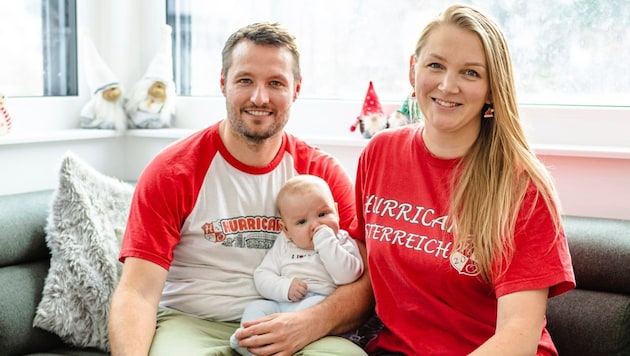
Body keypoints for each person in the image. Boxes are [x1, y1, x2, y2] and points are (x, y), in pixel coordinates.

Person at [108, 22, 373, 356]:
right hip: (193, 323)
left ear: (296, 89)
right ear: (223, 83)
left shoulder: (321, 175)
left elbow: (365, 283)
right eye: (245, 80)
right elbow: (138, 292)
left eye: (275, 83)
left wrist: (309, 324)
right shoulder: (172, 171)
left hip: (302, 322)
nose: (259, 97)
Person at [350, 4, 576, 355]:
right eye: (435, 65)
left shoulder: (523, 186)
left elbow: (519, 333)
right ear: (414, 70)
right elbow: (360, 270)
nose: (447, 85)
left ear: (491, 89)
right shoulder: (378, 154)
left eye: (470, 73)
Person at [230, 174, 364, 355]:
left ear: (337, 212)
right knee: (256, 308)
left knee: (315, 303)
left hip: (317, 306)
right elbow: (262, 275)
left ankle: (274, 340)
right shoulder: (283, 244)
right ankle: (248, 341)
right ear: (286, 230)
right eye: (302, 222)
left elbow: (348, 275)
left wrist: (326, 243)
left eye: (323, 214)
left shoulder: (343, 242)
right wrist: (284, 287)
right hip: (281, 303)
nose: (316, 225)